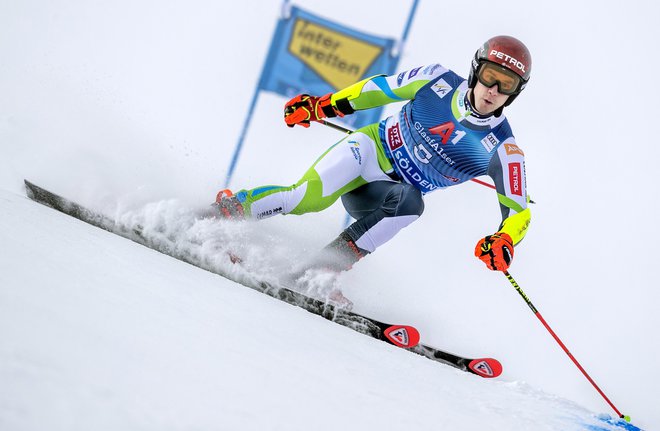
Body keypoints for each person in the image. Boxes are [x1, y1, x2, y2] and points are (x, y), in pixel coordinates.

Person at [217, 35, 532, 279]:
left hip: (384, 197)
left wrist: (504, 239)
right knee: (304, 199)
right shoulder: (437, 80)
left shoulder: (504, 149)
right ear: (476, 70)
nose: (493, 90)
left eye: (506, 85)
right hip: (366, 153)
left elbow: (519, 212)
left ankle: (318, 273)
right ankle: (223, 212)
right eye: (490, 76)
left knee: (411, 204)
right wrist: (320, 106)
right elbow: (378, 89)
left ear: (515, 93)